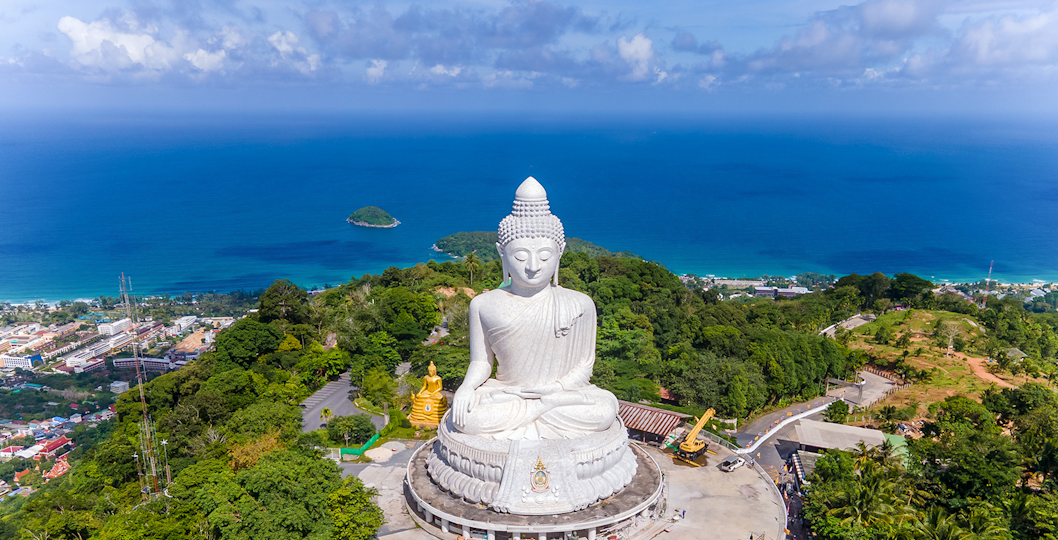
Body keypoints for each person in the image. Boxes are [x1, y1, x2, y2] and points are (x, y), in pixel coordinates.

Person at [450, 177, 618, 440]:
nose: (532, 266)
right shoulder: (483, 304)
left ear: (559, 252)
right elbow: (481, 362)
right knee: (466, 417)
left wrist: (554, 391)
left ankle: (538, 412)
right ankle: (539, 415)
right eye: (519, 256)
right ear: (501, 253)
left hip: (560, 396)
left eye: (544, 256)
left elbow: (585, 367)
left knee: (606, 407)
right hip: (508, 395)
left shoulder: (580, 304)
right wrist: (466, 388)